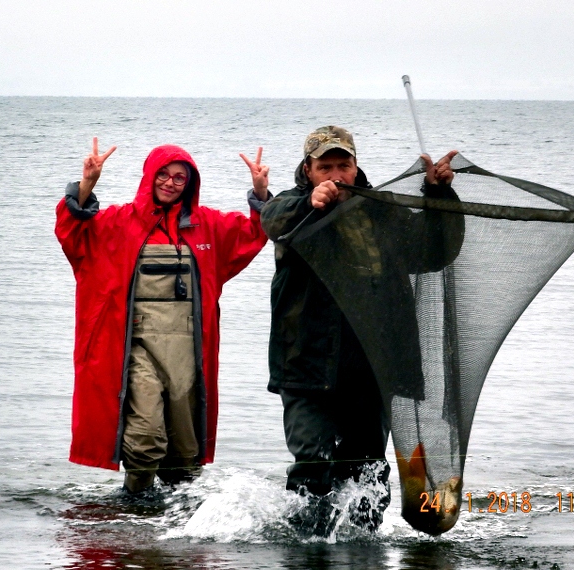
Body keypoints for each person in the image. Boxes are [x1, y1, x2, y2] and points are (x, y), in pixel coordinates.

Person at [55, 138, 271, 493]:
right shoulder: (117, 222)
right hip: (136, 351)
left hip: (187, 353)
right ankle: (132, 515)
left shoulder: (208, 225)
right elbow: (72, 234)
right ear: (149, 176)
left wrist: (261, 194)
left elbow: (253, 234)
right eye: (163, 174)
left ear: (190, 184)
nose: (170, 183)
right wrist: (86, 186)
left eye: (179, 178)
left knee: (186, 453)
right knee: (144, 440)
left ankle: (177, 530)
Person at [259, 125, 459, 508]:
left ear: (355, 166)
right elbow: (274, 219)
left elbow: (434, 252)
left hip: (372, 369)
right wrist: (309, 203)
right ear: (308, 171)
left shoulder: (381, 211)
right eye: (325, 167)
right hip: (306, 368)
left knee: (366, 472)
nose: (335, 175)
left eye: (343, 165)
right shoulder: (291, 206)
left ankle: (364, 550)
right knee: (312, 464)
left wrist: (439, 194)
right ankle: (305, 552)